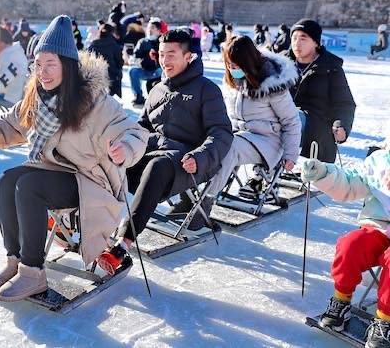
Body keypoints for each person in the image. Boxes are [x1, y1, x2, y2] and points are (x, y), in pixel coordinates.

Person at [0, 15, 149, 301]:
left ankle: (33, 274)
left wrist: (125, 149)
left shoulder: (93, 101)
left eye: (50, 65)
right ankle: (16, 262)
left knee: (29, 186)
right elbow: (10, 126)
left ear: (67, 66)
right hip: (53, 172)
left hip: (90, 182)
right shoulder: (38, 96)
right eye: (38, 65)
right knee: (8, 180)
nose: (42, 72)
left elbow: (135, 132)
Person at [97, 29, 233, 274]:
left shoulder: (207, 90)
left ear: (188, 56)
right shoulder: (157, 89)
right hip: (156, 154)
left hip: (188, 161)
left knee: (157, 166)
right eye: (161, 54)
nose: (165, 60)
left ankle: (122, 245)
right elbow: (142, 128)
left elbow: (222, 133)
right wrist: (122, 143)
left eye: (171, 54)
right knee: (110, 161)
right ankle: (91, 225)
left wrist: (200, 157)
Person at [302, 145, 390, 348]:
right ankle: (341, 301)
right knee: (350, 244)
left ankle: (385, 320)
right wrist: (322, 173)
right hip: (380, 226)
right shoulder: (380, 161)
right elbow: (349, 183)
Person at [202, 35, 301, 204]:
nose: (232, 69)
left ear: (248, 62)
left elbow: (291, 121)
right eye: (229, 65)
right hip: (240, 134)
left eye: (236, 65)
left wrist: (290, 155)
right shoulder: (233, 80)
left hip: (268, 140)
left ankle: (205, 198)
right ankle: (192, 188)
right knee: (210, 141)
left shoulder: (271, 84)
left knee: (229, 147)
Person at [287, 19, 356, 163]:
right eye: (294, 38)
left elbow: (345, 103)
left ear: (316, 42)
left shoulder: (331, 68)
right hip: (284, 120)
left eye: (303, 38)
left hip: (317, 126)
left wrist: (341, 125)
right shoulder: (282, 64)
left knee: (293, 118)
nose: (297, 43)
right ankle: (261, 172)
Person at [128, 20, 162, 106]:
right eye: (148, 28)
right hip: (145, 70)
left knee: (162, 70)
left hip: (158, 70)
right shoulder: (143, 42)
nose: (150, 30)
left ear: (158, 31)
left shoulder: (162, 41)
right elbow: (136, 55)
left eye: (152, 28)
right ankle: (138, 96)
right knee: (133, 71)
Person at [87, 22, 124, 97]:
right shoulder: (114, 45)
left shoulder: (93, 44)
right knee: (118, 71)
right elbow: (120, 62)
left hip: (95, 74)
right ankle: (115, 94)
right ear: (112, 32)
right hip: (112, 75)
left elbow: (88, 60)